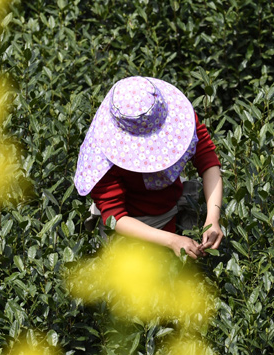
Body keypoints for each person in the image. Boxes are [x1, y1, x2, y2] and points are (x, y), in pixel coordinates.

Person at [73, 76, 223, 259]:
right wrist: (172, 240)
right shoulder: (100, 159)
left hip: (171, 204)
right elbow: (115, 216)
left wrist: (212, 219)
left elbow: (206, 157)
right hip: (133, 226)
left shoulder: (179, 117)